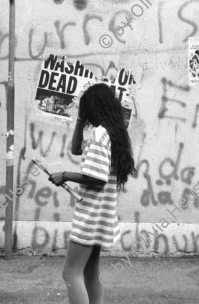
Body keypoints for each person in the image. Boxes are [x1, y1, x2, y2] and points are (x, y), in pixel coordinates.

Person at [48, 83, 136, 304]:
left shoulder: (99, 135)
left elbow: (97, 178)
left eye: (84, 108)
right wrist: (79, 120)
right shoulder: (112, 133)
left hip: (90, 215)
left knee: (70, 273)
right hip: (101, 215)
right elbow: (76, 150)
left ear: (92, 107)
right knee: (89, 274)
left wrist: (65, 175)